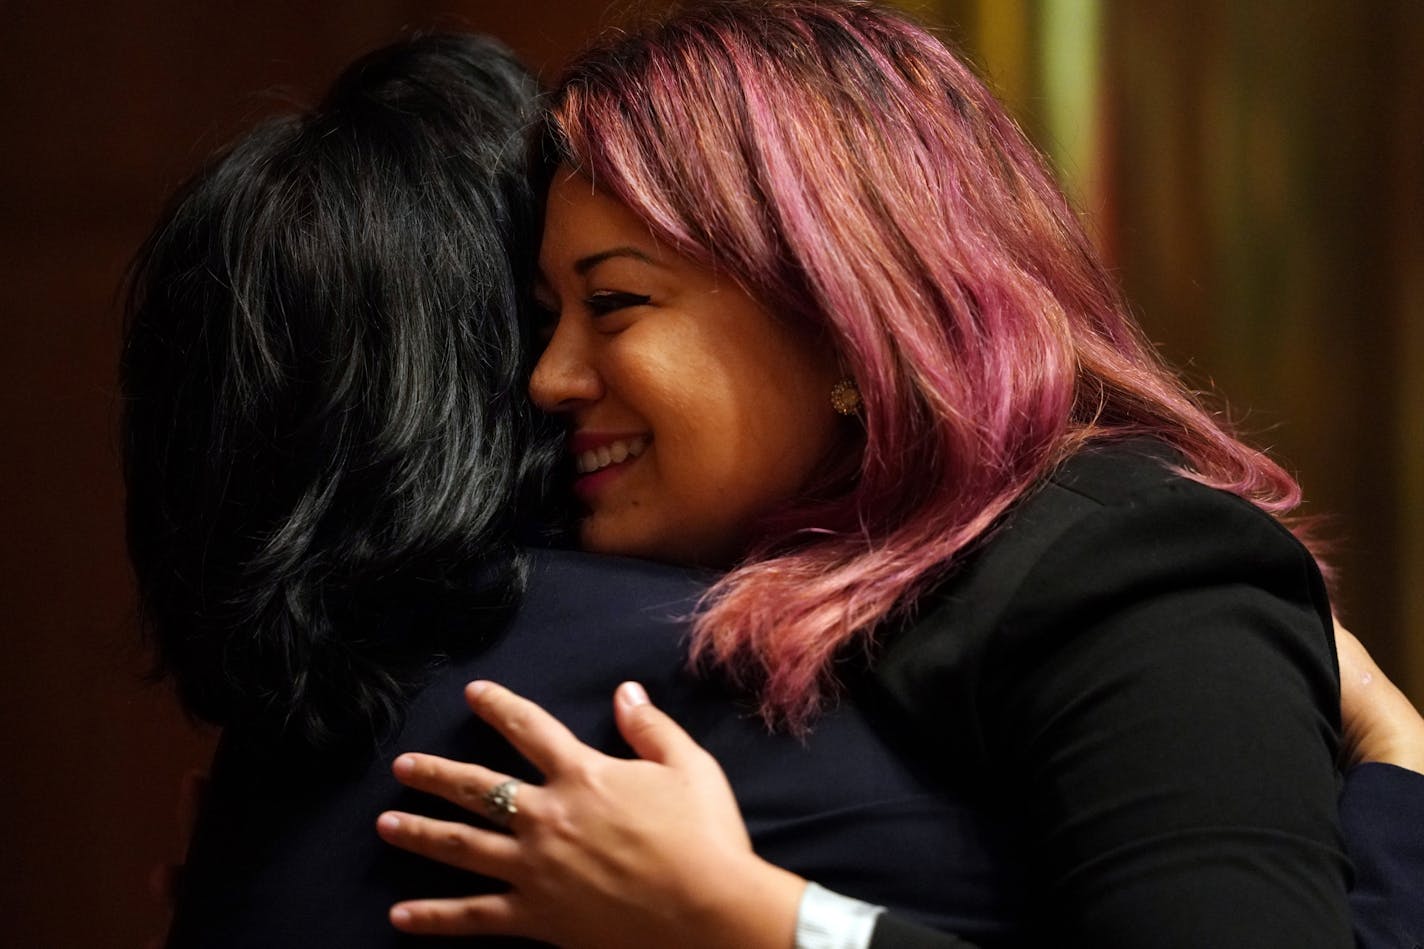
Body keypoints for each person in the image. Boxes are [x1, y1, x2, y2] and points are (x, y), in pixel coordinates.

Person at [366, 3, 1424, 948]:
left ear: (835, 318)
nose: (547, 380)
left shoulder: (1122, 565)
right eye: (549, 322)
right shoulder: (803, 564)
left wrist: (759, 922)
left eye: (615, 306)